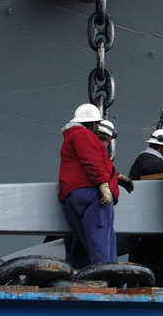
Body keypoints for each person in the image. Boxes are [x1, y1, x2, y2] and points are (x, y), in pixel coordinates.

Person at [58, 103, 120, 266]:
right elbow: (91, 161)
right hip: (91, 194)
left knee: (85, 240)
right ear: (91, 123)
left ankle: (85, 277)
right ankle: (104, 279)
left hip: (73, 194)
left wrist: (117, 178)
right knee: (101, 240)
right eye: (97, 123)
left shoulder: (71, 137)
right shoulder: (83, 136)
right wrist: (103, 185)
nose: (98, 127)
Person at [127, 128, 163, 286]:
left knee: (142, 262)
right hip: (147, 224)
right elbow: (155, 169)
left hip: (142, 222)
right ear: (161, 148)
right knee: (152, 262)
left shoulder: (144, 159)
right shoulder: (148, 160)